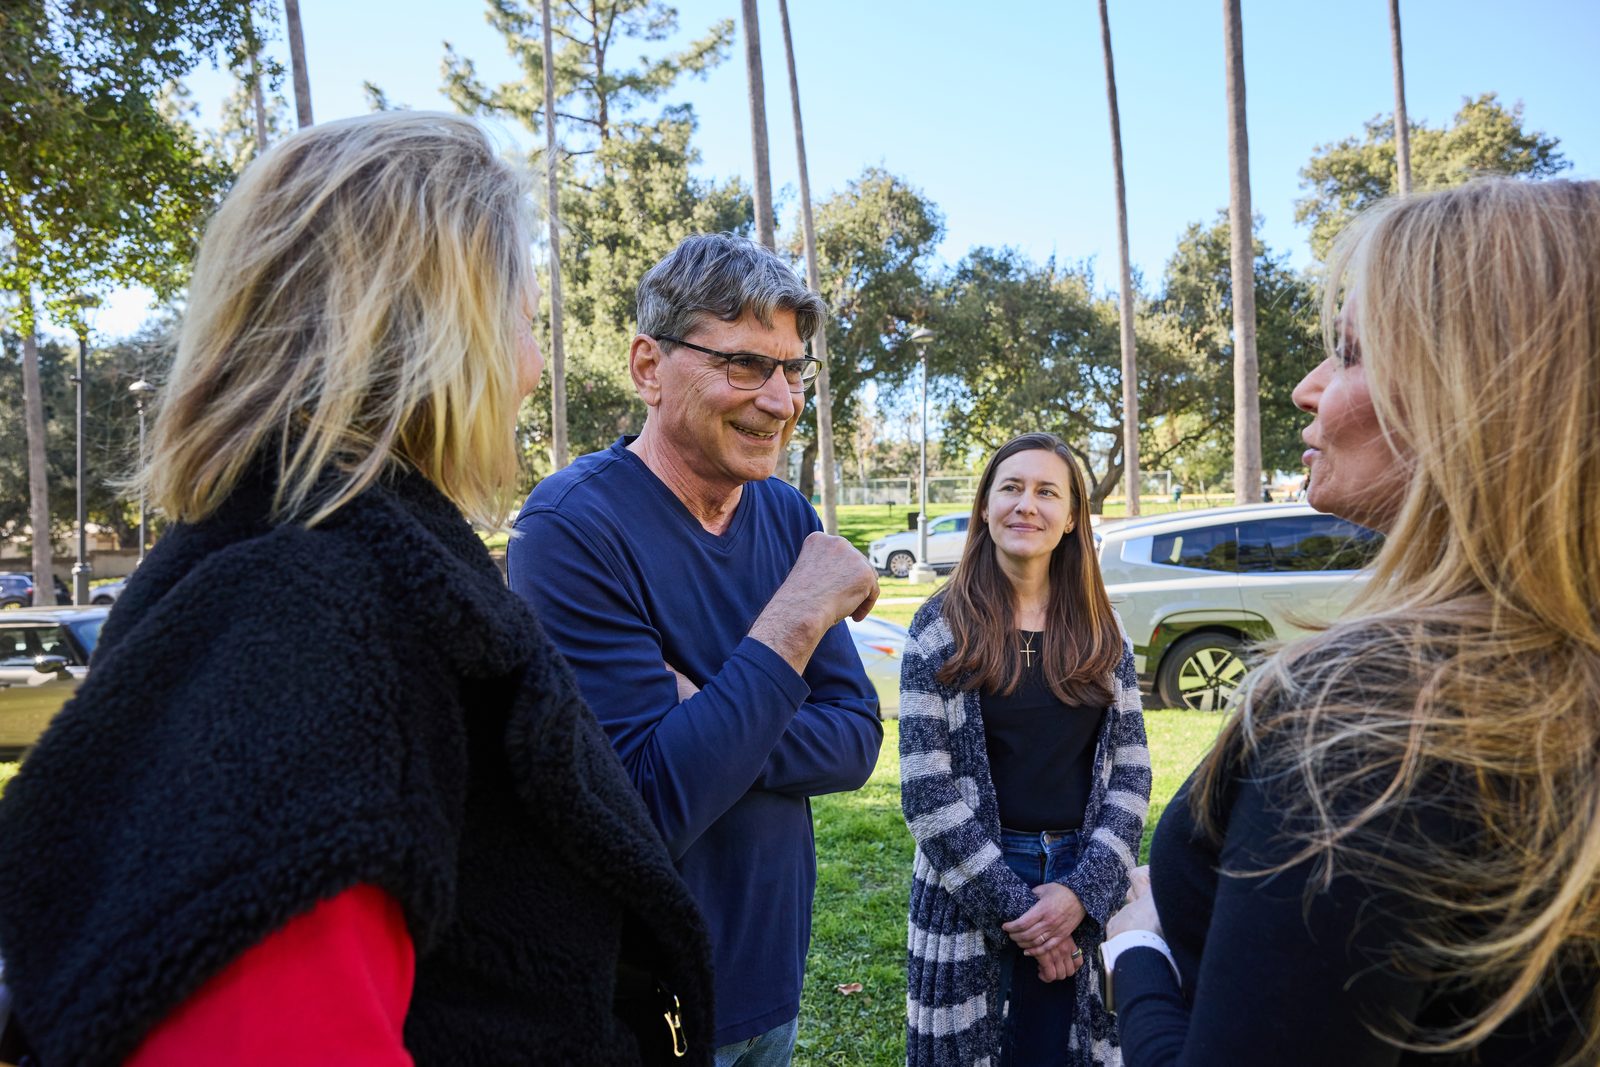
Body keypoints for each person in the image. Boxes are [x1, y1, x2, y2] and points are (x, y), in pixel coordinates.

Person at [0, 112, 714, 1066]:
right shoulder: (309, 623)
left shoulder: (318, 574)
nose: (533, 369)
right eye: (526, 323)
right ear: (437, 335)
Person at [1103, 178, 1600, 1065]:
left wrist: (1136, 951)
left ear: (1478, 394)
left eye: (1351, 353)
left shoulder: (1377, 722)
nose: (1307, 389)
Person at [507, 233, 883, 1066]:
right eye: (746, 364)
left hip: (774, 975)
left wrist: (705, 708)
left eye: (792, 370)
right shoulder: (572, 529)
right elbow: (647, 799)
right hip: (643, 998)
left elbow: (856, 739)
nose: (781, 400)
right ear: (649, 367)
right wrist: (792, 622)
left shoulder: (785, 517)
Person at [900, 432, 1152, 1067]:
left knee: (1058, 1051)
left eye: (1047, 492)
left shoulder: (1101, 628)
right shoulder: (942, 627)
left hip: (1079, 876)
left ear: (1071, 519)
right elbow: (926, 792)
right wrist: (1026, 916)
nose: (1026, 505)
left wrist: (1079, 895)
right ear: (985, 507)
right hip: (971, 883)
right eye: (1010, 488)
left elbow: (1131, 772)